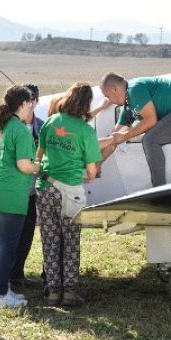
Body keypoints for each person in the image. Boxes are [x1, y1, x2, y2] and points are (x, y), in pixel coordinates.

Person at [36, 82, 103, 307]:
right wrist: (88, 178)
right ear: (86, 104)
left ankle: (53, 291)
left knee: (50, 240)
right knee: (71, 241)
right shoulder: (85, 130)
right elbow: (92, 169)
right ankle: (70, 292)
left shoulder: (51, 122)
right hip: (71, 191)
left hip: (46, 189)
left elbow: (40, 154)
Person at [0, 85, 41, 308]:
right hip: (10, 193)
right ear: (23, 104)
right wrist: (40, 166)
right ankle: (2, 294)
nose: (32, 107)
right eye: (30, 103)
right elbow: (24, 165)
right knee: (7, 243)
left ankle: (1, 289)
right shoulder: (21, 130)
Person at [95, 73, 171, 187]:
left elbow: (151, 120)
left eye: (107, 96)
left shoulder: (135, 89)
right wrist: (98, 163)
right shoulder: (128, 106)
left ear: (114, 89)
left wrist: (125, 136)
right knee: (150, 138)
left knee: (150, 139)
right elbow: (113, 139)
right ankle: (159, 189)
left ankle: (159, 190)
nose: (108, 100)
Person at [10, 83, 45, 289]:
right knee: (12, 233)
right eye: (27, 99)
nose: (31, 103)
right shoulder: (11, 126)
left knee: (27, 233)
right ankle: (9, 275)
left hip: (33, 190)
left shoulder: (42, 125)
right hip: (15, 188)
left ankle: (18, 273)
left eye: (34, 99)